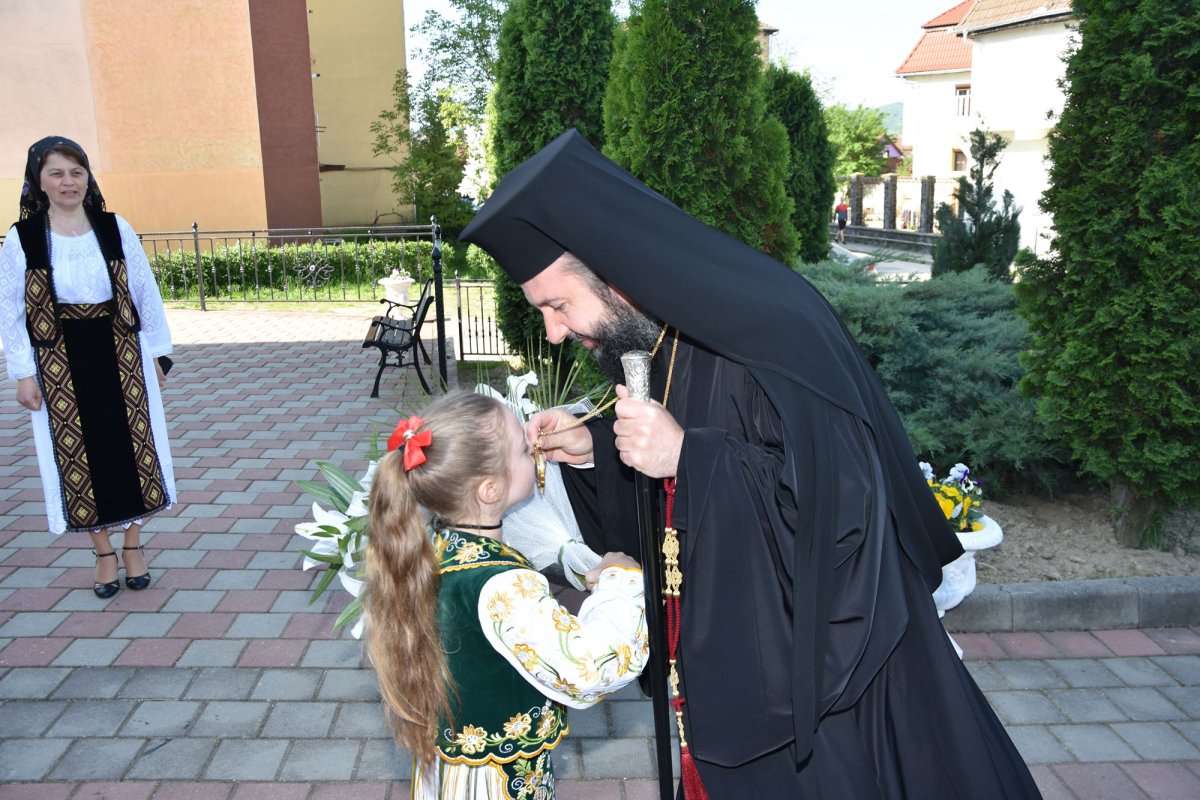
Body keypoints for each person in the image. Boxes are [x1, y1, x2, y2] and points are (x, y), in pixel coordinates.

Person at [460, 130, 1041, 798]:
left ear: (615, 274)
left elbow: (844, 510)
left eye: (557, 306)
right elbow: (686, 476)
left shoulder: (773, 326)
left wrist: (688, 456)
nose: (556, 332)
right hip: (732, 674)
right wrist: (598, 453)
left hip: (836, 712)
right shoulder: (659, 333)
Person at [364, 390, 649, 799]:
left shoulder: (435, 547)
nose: (533, 447)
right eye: (521, 448)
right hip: (493, 785)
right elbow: (586, 669)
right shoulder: (502, 585)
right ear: (489, 490)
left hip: (451, 773)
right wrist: (622, 582)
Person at [0, 136, 176, 599]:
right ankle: (102, 552)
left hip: (121, 351)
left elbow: (144, 291)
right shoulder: (24, 238)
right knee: (79, 455)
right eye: (56, 173)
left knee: (134, 447)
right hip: (58, 358)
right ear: (38, 181)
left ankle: (134, 544)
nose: (68, 182)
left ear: (87, 177)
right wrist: (21, 373)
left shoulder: (115, 228)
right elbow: (11, 311)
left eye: (76, 172)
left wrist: (157, 353)